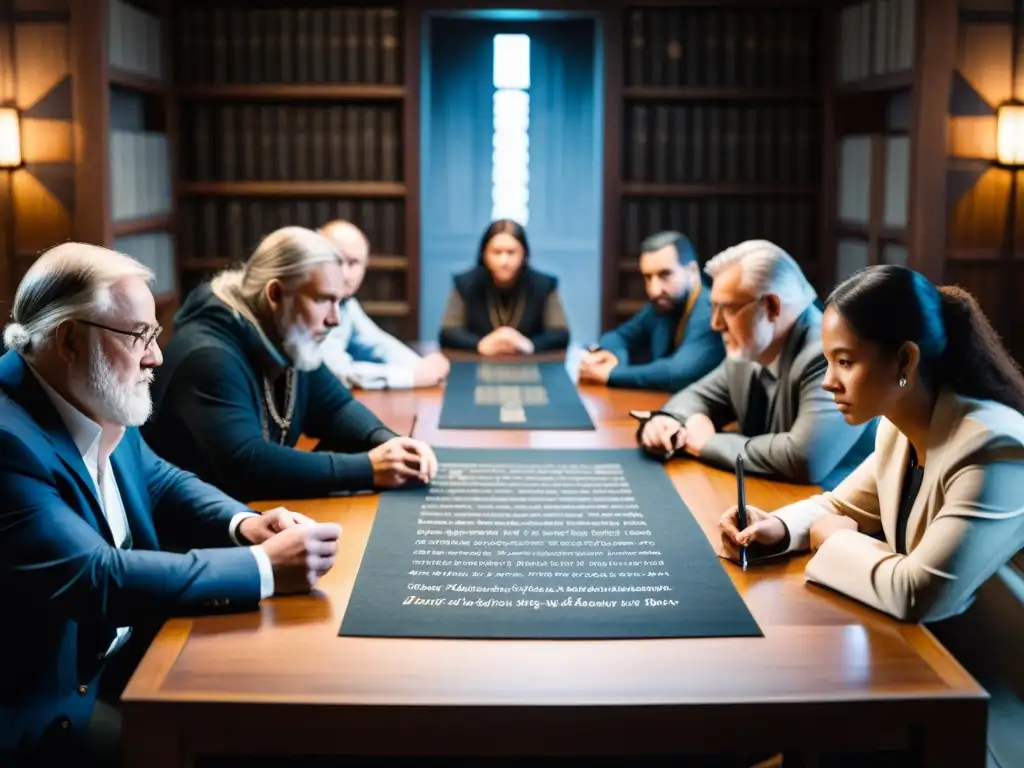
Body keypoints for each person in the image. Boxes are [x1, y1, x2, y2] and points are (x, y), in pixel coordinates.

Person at [0, 243, 342, 766]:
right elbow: (97, 577)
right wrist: (264, 568)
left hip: (122, 668)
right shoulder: (8, 439)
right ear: (69, 339)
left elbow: (159, 479)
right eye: (139, 335)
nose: (156, 355)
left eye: (154, 334)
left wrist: (246, 524)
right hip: (46, 724)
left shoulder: (84, 388)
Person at [718, 264, 1024, 623]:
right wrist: (776, 528)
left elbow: (916, 593)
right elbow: (840, 506)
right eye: (828, 361)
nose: (828, 382)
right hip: (926, 645)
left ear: (905, 360)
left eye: (845, 362)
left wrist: (832, 541)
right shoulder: (896, 426)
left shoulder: (995, 448)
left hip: (988, 666)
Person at [142, 226, 439, 502]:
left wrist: (389, 442)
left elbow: (335, 407)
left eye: (339, 302)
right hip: (188, 536)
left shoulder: (284, 333)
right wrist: (369, 469)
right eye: (323, 300)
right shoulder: (209, 355)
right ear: (275, 294)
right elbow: (246, 463)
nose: (334, 319)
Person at [636, 239, 874, 488]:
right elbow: (697, 396)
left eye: (727, 309)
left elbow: (805, 459)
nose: (716, 324)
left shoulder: (829, 353)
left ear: (771, 306)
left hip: (838, 514)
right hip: (771, 500)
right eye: (713, 308)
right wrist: (669, 421)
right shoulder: (752, 348)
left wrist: (708, 443)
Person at [579, 230, 724, 391]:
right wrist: (615, 359)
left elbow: (679, 372)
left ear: (692, 271)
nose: (654, 290)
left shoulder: (710, 311)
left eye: (665, 275)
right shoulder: (663, 305)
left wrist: (613, 373)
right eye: (648, 277)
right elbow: (617, 336)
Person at [318, 219, 450, 389]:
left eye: (354, 263)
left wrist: (423, 367)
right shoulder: (313, 302)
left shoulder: (347, 304)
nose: (344, 273)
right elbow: (336, 372)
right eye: (336, 261)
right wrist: (411, 377)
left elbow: (380, 345)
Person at [439, 219, 570, 355]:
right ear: (484, 254)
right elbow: (448, 333)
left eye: (511, 252)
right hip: (475, 365)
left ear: (524, 254)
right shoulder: (465, 283)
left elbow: (560, 334)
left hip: (531, 365)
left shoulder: (544, 284)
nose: (504, 261)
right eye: (496, 252)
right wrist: (480, 344)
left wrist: (528, 344)